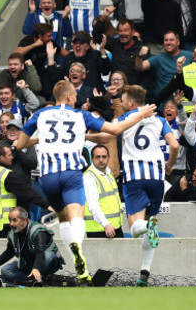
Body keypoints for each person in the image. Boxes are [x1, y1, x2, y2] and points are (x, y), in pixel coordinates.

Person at [17, 80, 157, 284]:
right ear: (67, 96)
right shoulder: (79, 115)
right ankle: (77, 245)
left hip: (47, 177)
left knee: (63, 219)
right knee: (77, 216)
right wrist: (141, 115)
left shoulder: (40, 115)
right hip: (71, 174)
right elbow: (114, 130)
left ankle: (76, 259)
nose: (76, 97)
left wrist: (44, 139)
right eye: (74, 94)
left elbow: (20, 144)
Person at [113, 85, 179, 286]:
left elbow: (108, 132)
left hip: (135, 177)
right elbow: (174, 145)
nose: (122, 104)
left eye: (124, 100)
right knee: (150, 222)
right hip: (157, 177)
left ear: (131, 103)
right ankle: (144, 272)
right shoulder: (159, 120)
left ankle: (147, 228)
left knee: (135, 227)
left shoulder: (123, 120)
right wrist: (169, 165)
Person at [0, 207, 64, 284]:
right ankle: (30, 282)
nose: (11, 224)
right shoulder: (13, 233)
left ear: (24, 220)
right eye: (10, 220)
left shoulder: (38, 230)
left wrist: (36, 268)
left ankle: (36, 277)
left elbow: (40, 252)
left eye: (14, 220)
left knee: (49, 256)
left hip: (46, 263)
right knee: (6, 270)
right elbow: (8, 253)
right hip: (28, 265)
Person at [83, 145, 123, 238]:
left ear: (108, 158)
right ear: (92, 159)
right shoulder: (89, 177)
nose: (101, 160)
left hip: (114, 227)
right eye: (98, 157)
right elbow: (93, 206)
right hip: (100, 229)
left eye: (104, 157)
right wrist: (105, 224)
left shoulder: (109, 174)